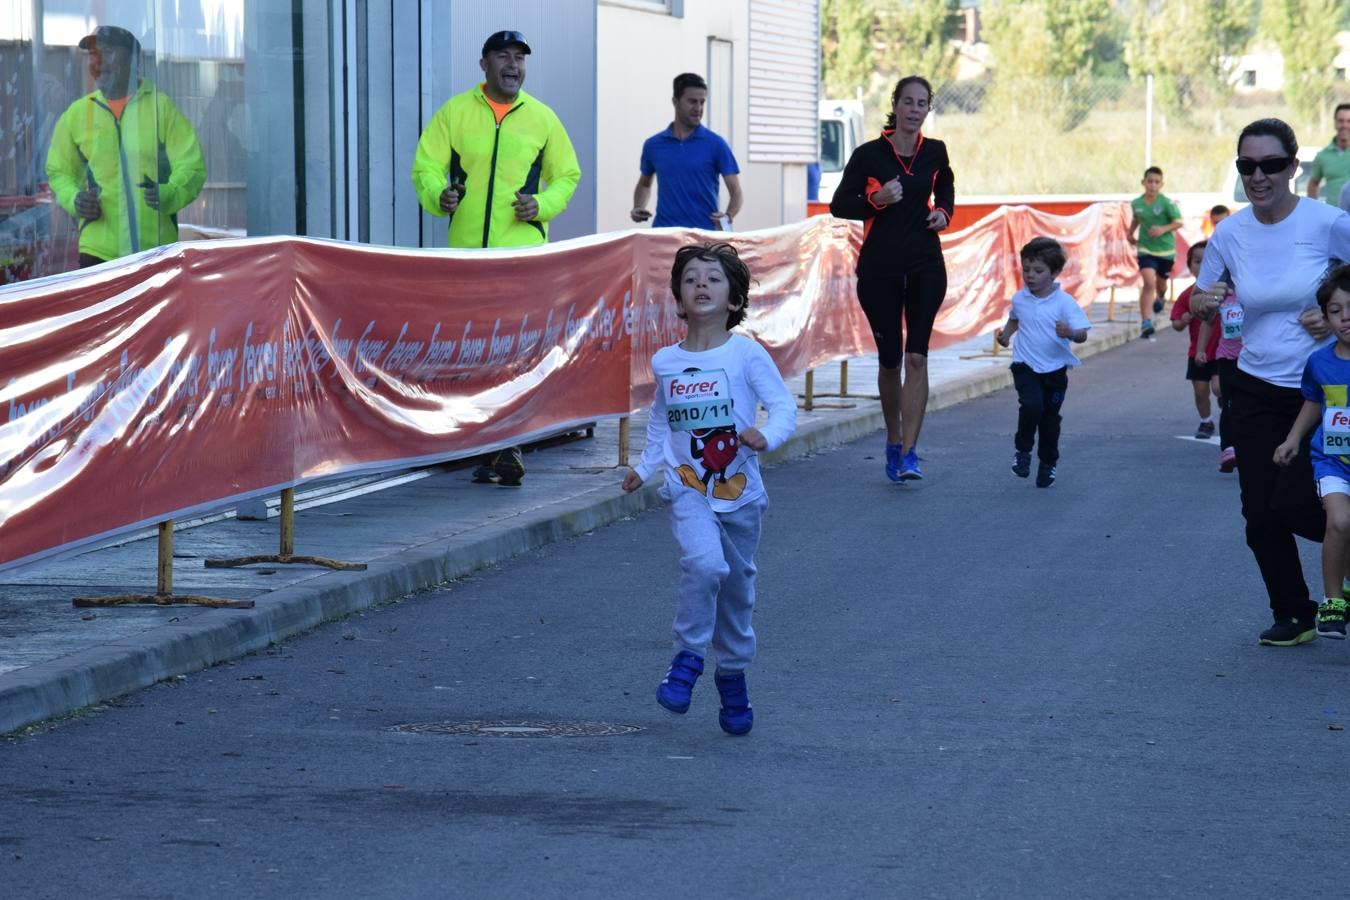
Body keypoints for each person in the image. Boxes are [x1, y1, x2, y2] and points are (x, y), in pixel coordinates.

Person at [622, 242, 796, 735]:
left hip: (740, 495)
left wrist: (768, 435)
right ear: (677, 295)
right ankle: (687, 661)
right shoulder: (666, 361)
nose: (701, 284)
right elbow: (661, 418)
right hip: (688, 487)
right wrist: (645, 464)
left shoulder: (746, 354)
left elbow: (783, 407)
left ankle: (733, 676)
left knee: (737, 595)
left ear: (735, 300)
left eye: (713, 278)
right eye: (692, 277)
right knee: (704, 564)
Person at [1190, 118, 1350, 646]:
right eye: (1247, 166)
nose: (1259, 176)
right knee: (1259, 512)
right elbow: (1201, 293)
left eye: (1271, 165)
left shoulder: (1327, 223)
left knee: (1304, 504)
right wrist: (1203, 301)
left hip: (1325, 390)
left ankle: (1340, 575)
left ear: (1293, 167)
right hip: (1253, 384)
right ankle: (1294, 612)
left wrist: (1329, 314)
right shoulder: (1231, 233)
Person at [410, 29, 581, 487]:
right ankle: (477, 438)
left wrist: (541, 206)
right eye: (503, 56)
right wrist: (437, 196)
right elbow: (425, 165)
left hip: (521, 259)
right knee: (472, 348)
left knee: (512, 350)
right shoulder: (455, 113)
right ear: (483, 64)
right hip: (466, 258)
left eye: (520, 58)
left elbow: (567, 174)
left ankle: (507, 444)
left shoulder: (543, 119)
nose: (513, 65)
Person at [829, 75, 954, 482]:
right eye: (908, 102)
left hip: (925, 264)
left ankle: (910, 452)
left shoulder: (935, 152)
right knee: (891, 361)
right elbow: (838, 205)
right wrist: (875, 201)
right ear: (896, 106)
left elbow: (947, 187)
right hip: (879, 267)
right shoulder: (869, 155)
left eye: (922, 103)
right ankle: (892, 437)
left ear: (927, 110)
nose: (915, 109)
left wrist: (944, 214)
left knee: (918, 355)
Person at [45, 25, 205, 268]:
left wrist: (169, 193)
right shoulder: (77, 114)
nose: (98, 61)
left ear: (131, 58)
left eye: (107, 52)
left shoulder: (160, 108)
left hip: (155, 249)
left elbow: (192, 166)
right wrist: (74, 198)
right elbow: (59, 172)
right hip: (97, 250)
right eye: (92, 54)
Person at [1273, 265, 1350, 639]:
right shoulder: (1319, 361)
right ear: (1325, 317)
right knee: (1338, 521)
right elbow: (1313, 402)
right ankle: (1334, 601)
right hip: (1333, 460)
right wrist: (1293, 439)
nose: (1345, 318)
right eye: (1335, 311)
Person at [994, 237, 1090, 488]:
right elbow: (1015, 319)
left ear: (1054, 273)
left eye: (1038, 270)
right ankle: (1023, 452)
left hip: (1055, 369)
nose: (1030, 275)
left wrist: (1069, 332)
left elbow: (1082, 334)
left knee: (1049, 419)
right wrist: (1005, 335)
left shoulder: (1065, 303)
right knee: (1031, 404)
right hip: (1025, 364)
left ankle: (1048, 463)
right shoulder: (1019, 299)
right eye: (1026, 269)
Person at [631, 73, 742, 229]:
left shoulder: (716, 144)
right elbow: (644, 184)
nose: (698, 108)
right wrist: (638, 207)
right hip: (664, 234)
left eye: (702, 102)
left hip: (704, 237)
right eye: (692, 102)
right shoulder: (653, 145)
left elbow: (736, 191)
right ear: (675, 101)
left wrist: (728, 215)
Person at [1170, 241, 1221, 441]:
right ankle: (1206, 421)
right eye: (1198, 262)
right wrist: (1182, 321)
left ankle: (1223, 400)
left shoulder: (1225, 291)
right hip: (1197, 353)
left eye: (1208, 261)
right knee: (1200, 391)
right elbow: (1176, 323)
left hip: (1222, 351)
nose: (1203, 267)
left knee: (1218, 387)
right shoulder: (1187, 295)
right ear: (1189, 265)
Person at [1126, 166, 1183, 339]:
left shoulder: (1166, 203)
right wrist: (1130, 233)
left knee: (1160, 283)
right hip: (1145, 248)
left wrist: (1162, 229)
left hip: (1165, 250)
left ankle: (1161, 296)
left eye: (1156, 182)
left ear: (1161, 184)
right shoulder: (1137, 203)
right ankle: (1146, 322)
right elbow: (1137, 218)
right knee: (1148, 282)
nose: (1152, 185)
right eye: (1149, 181)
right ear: (1143, 183)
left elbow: (1178, 222)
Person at [1195, 277, 1242, 473]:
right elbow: (1208, 322)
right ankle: (1228, 449)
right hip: (1227, 358)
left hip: (1253, 359)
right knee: (1228, 401)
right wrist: (1200, 349)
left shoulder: (1256, 294)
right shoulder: (1222, 295)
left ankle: (1249, 444)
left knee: (1248, 403)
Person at [1307, 103, 1350, 208]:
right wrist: (1314, 210)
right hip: (1334, 219)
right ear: (1335, 123)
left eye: (1349, 121)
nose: (1345, 125)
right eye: (1341, 121)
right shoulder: (1322, 156)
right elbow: (1313, 184)